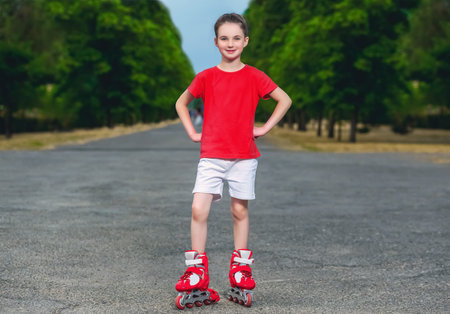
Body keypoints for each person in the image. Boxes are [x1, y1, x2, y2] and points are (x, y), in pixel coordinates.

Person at [174, 13, 291, 309]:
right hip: (211, 155)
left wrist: (264, 128)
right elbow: (181, 102)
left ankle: (240, 270)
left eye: (236, 38)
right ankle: (196, 272)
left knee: (239, 210)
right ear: (216, 42)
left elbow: (284, 99)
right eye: (224, 38)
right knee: (197, 208)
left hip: (243, 157)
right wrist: (192, 132)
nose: (230, 43)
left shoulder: (255, 76)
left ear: (245, 41)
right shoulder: (206, 77)